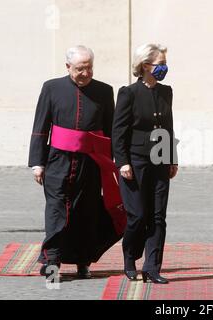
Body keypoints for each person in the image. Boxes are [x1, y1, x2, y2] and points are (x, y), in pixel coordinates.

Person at [28, 45, 126, 280]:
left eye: (89, 68)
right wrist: (37, 163)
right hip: (57, 161)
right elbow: (41, 127)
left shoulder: (104, 91)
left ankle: (83, 262)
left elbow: (111, 130)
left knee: (87, 212)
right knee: (56, 211)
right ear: (68, 67)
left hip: (90, 163)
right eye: (80, 68)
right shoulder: (52, 88)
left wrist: (112, 161)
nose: (86, 73)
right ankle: (52, 261)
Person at [112, 43, 178, 284]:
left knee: (158, 216)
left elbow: (168, 127)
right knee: (137, 216)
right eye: (160, 64)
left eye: (164, 64)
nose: (164, 68)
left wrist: (172, 159)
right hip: (135, 162)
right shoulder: (128, 93)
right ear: (145, 65)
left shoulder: (166, 91)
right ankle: (130, 258)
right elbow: (118, 131)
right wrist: (122, 162)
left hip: (160, 160)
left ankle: (152, 267)